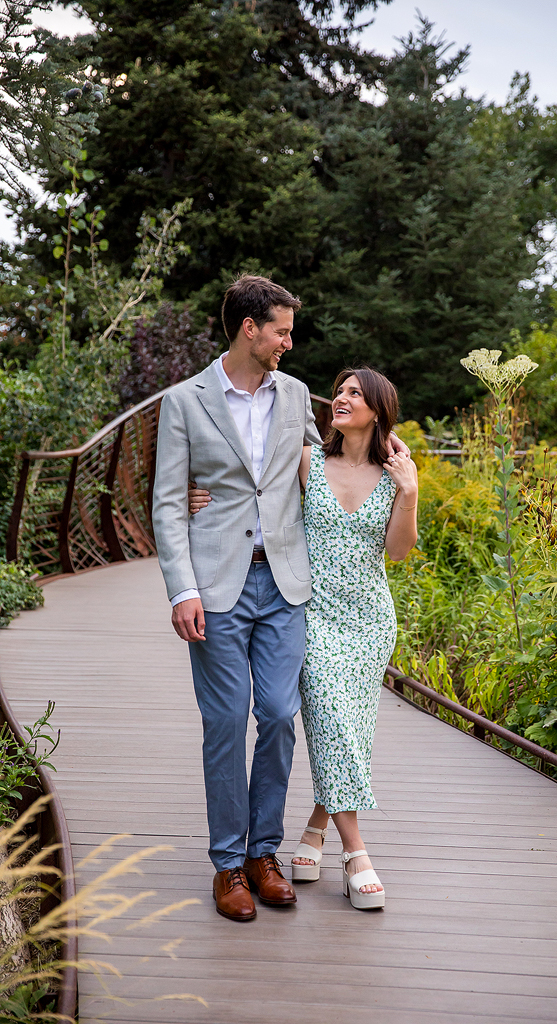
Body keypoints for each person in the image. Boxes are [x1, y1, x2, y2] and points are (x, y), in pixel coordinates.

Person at [152, 275, 408, 923]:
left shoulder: (294, 395)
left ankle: (265, 852)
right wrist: (182, 585)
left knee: (275, 711)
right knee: (225, 719)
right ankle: (228, 865)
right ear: (249, 328)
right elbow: (167, 500)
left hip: (288, 583)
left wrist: (394, 462)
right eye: (282, 331)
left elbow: (325, 462)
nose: (290, 343)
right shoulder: (184, 401)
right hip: (215, 585)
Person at [190, 366, 418, 911]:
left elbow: (400, 551)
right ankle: (356, 853)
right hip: (309, 613)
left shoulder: (395, 476)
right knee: (331, 717)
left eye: (355, 394)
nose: (341, 398)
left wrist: (410, 492)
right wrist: (199, 493)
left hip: (369, 619)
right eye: (339, 391)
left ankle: (313, 831)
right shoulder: (307, 459)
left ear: (378, 411)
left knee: (351, 725)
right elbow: (251, 478)